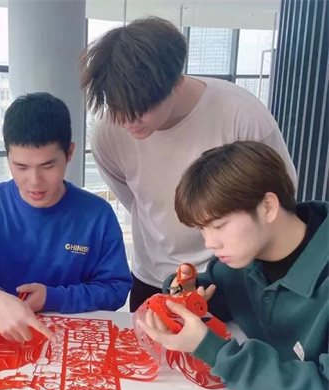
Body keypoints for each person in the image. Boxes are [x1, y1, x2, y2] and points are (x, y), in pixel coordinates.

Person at [80, 17, 297, 311]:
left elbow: (281, 199)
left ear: (177, 84)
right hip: (153, 277)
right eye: (118, 108)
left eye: (142, 109)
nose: (129, 122)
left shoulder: (241, 115)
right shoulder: (108, 134)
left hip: (235, 276)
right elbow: (135, 202)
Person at [137, 141, 327, 390]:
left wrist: (215, 352)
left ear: (267, 207)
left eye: (219, 226)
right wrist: (183, 295)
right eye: (201, 229)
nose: (209, 242)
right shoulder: (244, 260)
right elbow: (216, 289)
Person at [0, 93, 132, 342]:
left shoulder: (97, 215)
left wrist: (54, 297)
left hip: (68, 341)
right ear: (7, 157)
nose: (35, 182)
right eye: (21, 167)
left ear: (69, 153)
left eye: (48, 166)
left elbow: (115, 288)